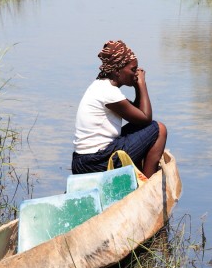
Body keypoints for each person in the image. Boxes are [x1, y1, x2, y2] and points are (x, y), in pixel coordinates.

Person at [71, 40, 167, 178]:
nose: (136, 74)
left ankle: (137, 179)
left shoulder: (101, 86)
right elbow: (146, 117)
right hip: (95, 162)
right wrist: (141, 84)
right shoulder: (108, 93)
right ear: (117, 71)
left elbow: (139, 117)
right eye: (133, 69)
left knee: (142, 129)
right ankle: (147, 187)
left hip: (83, 161)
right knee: (160, 129)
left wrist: (136, 87)